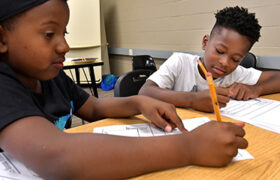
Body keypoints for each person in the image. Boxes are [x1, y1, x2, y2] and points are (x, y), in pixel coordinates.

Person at [0, 0, 248, 179]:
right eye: (49, 34)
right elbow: (57, 158)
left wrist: (139, 103)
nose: (64, 46)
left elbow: (94, 107)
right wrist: (189, 147)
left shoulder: (51, 77)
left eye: (64, 33)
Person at [139, 6, 280, 113]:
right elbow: (145, 92)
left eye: (236, 59)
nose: (225, 62)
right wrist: (192, 100)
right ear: (205, 42)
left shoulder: (236, 74)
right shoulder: (180, 62)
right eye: (220, 51)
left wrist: (256, 89)